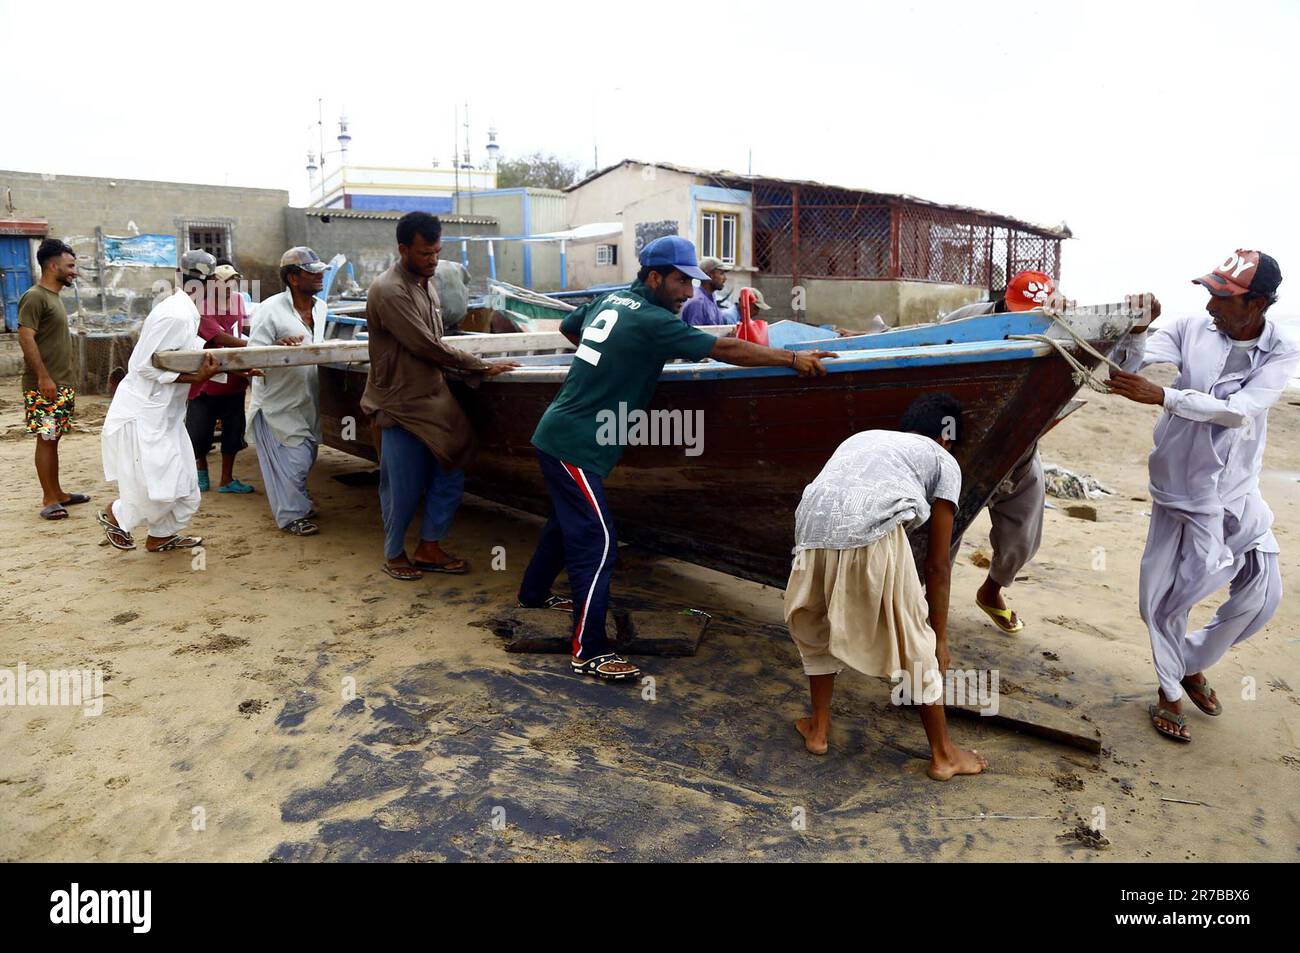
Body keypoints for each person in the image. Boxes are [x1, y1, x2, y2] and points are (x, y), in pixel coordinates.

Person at [518, 235, 834, 682]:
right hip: (575, 446)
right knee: (600, 543)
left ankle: (533, 594)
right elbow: (725, 349)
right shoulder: (652, 321)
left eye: (693, 283)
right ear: (654, 277)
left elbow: (572, 328)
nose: (688, 294)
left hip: (558, 434)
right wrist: (792, 359)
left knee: (567, 521)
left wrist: (615, 361)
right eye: (682, 282)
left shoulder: (611, 299)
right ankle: (588, 650)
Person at [1108, 249, 1299, 743]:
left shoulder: (1282, 350)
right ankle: (1170, 689)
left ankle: (1189, 661)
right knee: (1164, 596)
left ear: (1256, 304)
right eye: (1211, 292)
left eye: (1224, 295)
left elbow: (1240, 412)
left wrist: (1166, 397)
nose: (1212, 304)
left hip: (1237, 488)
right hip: (1180, 486)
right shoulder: (1191, 328)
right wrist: (1134, 330)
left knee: (1263, 594)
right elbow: (1124, 367)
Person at [784, 393, 987, 780]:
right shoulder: (945, 460)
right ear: (947, 438)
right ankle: (943, 755)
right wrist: (940, 639)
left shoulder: (863, 438)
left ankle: (819, 730)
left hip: (810, 526)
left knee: (816, 623)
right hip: (871, 527)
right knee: (915, 638)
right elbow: (938, 564)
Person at [362, 212, 518, 580]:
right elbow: (426, 345)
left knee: (454, 464)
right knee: (401, 485)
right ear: (403, 250)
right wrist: (477, 365)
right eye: (424, 253)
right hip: (397, 402)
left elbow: (436, 343)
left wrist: (468, 368)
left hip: (431, 395)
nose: (432, 260)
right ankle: (394, 554)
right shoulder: (389, 290)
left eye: (436, 252)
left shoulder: (426, 284)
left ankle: (429, 545)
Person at [98, 251, 224, 552]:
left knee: (186, 488)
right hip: (145, 413)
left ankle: (161, 536)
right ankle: (116, 513)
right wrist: (194, 379)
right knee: (160, 488)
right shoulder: (176, 314)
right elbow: (141, 365)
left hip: (167, 414)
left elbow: (189, 356)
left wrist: (240, 367)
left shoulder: (188, 312)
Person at [247, 247, 330, 536]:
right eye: (312, 272)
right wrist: (277, 349)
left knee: (306, 455)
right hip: (277, 401)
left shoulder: (321, 308)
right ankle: (291, 516)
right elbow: (252, 356)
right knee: (292, 461)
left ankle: (300, 504)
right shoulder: (269, 310)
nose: (320, 276)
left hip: (307, 395)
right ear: (293, 278)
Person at [18, 239, 89, 521]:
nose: (74, 271)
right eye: (70, 266)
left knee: (54, 437)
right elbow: (25, 336)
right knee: (47, 437)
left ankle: (58, 493)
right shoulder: (35, 296)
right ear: (52, 266)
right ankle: (49, 499)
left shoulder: (53, 297)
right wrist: (44, 378)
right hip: (45, 387)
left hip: (59, 385)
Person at [185, 258, 255, 494]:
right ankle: (201, 472)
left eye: (233, 282)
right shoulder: (202, 307)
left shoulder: (238, 301)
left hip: (235, 380)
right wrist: (253, 345)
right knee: (199, 433)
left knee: (233, 432)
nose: (229, 287)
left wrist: (254, 341)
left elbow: (245, 327)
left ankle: (227, 479)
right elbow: (219, 338)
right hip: (208, 380)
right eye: (224, 282)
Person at [680, 256, 732, 326]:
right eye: (721, 273)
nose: (725, 278)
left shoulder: (711, 298)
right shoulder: (697, 303)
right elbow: (695, 335)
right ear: (710, 275)